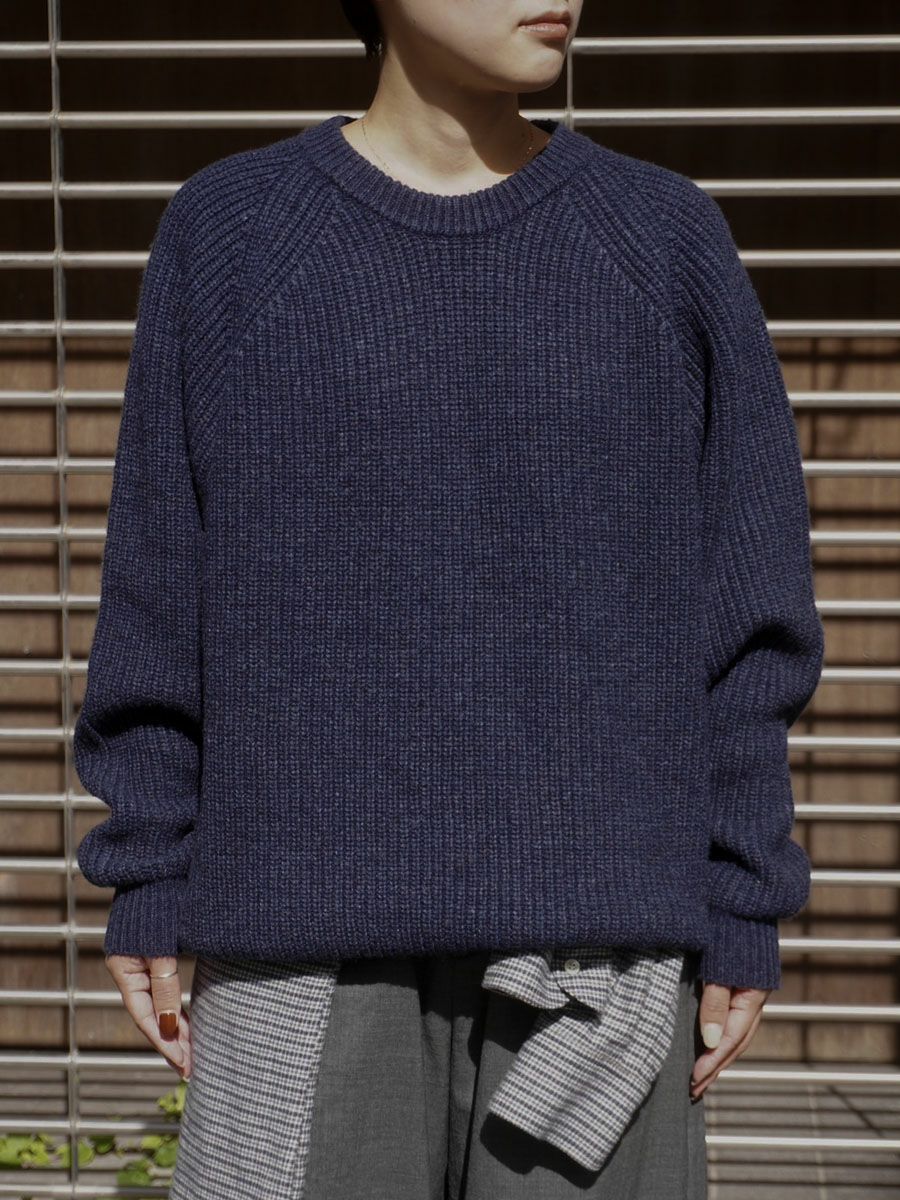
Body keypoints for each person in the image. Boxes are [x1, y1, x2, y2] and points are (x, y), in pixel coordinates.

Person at [73, 1, 825, 1195]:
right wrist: (151, 873)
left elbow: (750, 606)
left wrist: (743, 896)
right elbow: (161, 580)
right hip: (299, 947)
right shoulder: (234, 234)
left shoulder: (661, 237)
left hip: (602, 958)